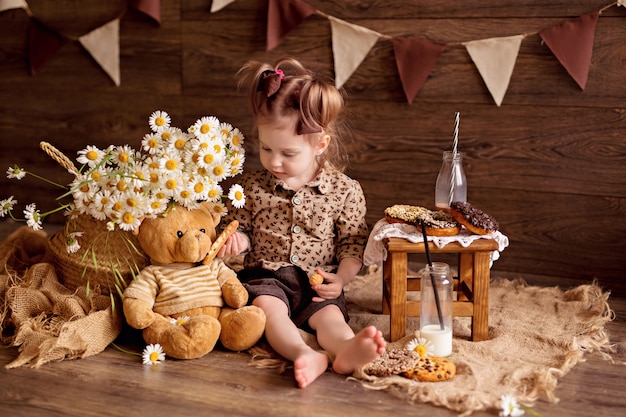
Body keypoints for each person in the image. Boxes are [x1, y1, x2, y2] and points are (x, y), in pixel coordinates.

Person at [218, 57, 386, 388]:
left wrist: (340, 279)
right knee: (269, 312)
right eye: (266, 148)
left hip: (316, 282)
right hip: (267, 277)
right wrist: (238, 242)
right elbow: (242, 228)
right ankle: (302, 353)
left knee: (330, 317)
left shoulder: (344, 191)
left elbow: (351, 244)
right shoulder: (252, 187)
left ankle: (345, 349)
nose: (274, 161)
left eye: (288, 153)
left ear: (320, 144)